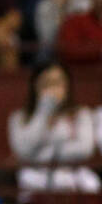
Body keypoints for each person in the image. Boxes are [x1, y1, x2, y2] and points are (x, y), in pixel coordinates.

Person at [7, 62, 99, 194]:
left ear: (67, 86)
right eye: (47, 83)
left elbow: (84, 149)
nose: (53, 89)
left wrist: (43, 155)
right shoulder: (19, 117)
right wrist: (44, 110)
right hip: (35, 179)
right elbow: (24, 151)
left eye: (58, 82)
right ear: (35, 86)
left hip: (71, 179)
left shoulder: (81, 114)